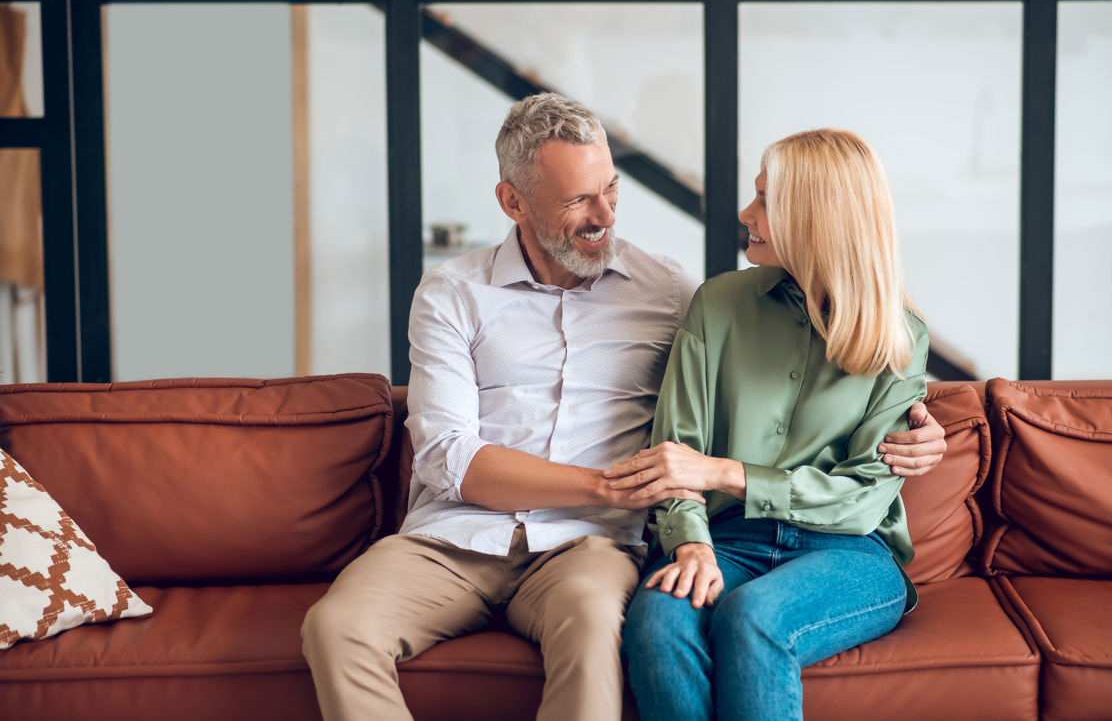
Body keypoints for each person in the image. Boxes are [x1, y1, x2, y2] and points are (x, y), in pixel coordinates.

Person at [301, 96, 945, 721]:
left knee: (638, 631)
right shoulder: (455, 294)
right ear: (512, 202)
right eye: (578, 199)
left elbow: (845, 480)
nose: (604, 214)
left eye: (610, 189)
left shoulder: (671, 293)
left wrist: (922, 429)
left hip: (608, 544)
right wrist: (654, 512)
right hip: (460, 535)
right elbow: (450, 456)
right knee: (338, 627)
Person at [612, 128, 930, 721]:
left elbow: (861, 502)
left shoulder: (901, 339)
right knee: (657, 624)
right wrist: (690, 544)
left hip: (849, 554)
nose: (744, 212)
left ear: (816, 219)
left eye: (765, 200)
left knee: (754, 618)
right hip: (727, 539)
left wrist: (731, 473)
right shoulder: (718, 304)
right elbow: (676, 453)